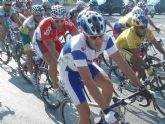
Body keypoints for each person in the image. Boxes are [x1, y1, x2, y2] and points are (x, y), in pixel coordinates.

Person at [57, 11, 149, 124]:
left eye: (100, 36)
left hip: (86, 63)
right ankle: (105, 112)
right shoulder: (78, 46)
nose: (99, 41)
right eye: (93, 37)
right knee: (85, 114)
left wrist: (142, 87)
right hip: (69, 71)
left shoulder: (106, 39)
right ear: (85, 35)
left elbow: (123, 65)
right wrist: (107, 110)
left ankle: (104, 115)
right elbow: (88, 80)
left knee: (108, 84)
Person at [32, 5, 79, 103]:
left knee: (67, 57)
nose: (60, 23)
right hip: (40, 41)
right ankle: (56, 89)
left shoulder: (67, 21)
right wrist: (65, 63)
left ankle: (61, 78)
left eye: (62, 20)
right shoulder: (45, 25)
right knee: (53, 62)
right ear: (52, 19)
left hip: (53, 39)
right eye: (57, 21)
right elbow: (52, 51)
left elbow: (78, 38)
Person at [115, 14, 165, 80]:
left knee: (140, 64)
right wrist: (147, 67)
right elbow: (136, 55)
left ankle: (137, 81)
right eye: (142, 28)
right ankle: (132, 80)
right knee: (139, 64)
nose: (144, 29)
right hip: (121, 48)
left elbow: (156, 44)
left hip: (131, 46)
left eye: (145, 26)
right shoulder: (130, 35)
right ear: (135, 27)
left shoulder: (147, 30)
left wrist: (164, 53)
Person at [19, 4, 44, 83]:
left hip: (34, 32)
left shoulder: (43, 18)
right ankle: (32, 75)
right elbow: (33, 39)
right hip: (25, 35)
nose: (40, 17)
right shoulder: (30, 22)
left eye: (41, 15)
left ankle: (26, 64)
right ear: (33, 14)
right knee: (30, 54)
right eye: (37, 15)